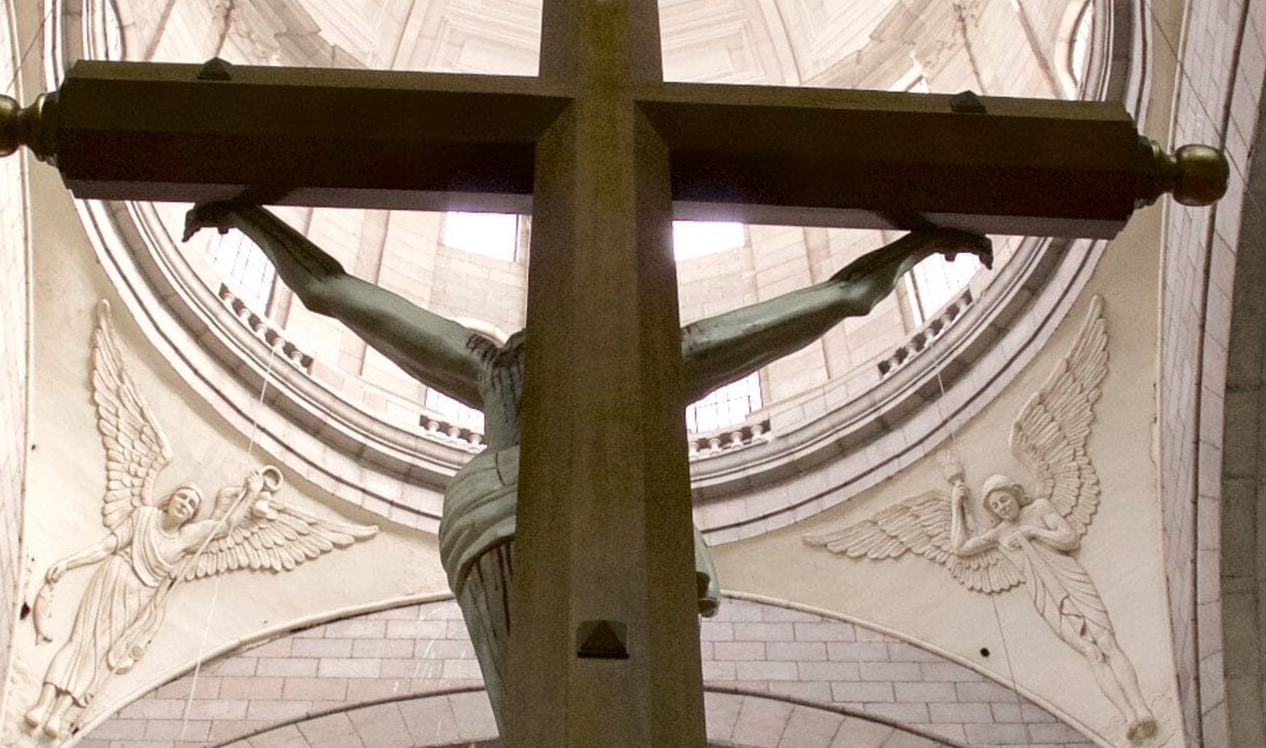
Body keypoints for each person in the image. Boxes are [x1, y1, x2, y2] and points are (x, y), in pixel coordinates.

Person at [184, 202, 984, 704]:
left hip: (499, 508)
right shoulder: (655, 357)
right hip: (584, 513)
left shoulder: (492, 363)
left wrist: (254, 221)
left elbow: (331, 291)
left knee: (544, 716)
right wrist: (916, 246)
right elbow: (843, 299)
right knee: (613, 710)